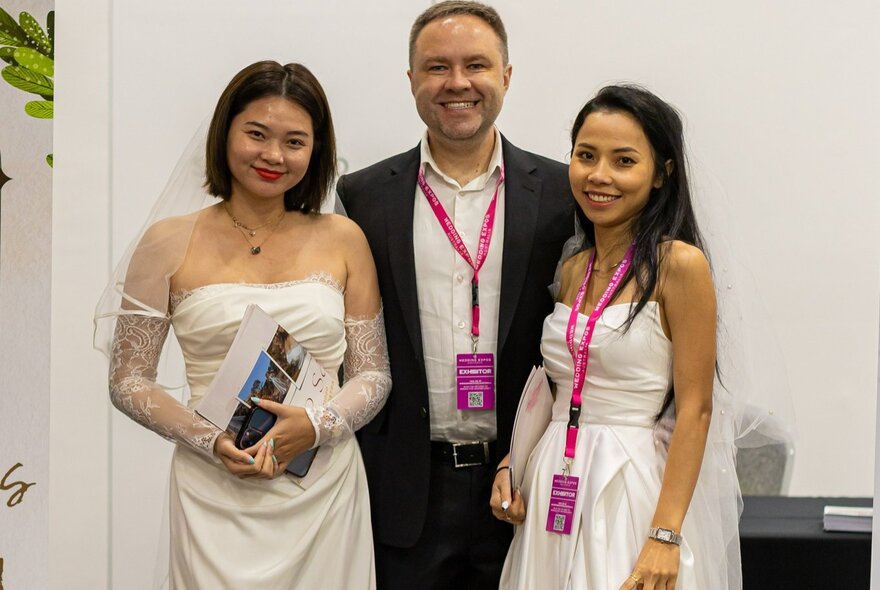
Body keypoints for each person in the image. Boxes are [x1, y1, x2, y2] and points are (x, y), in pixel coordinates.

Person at [95, 61, 390, 589]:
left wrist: (317, 426)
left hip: (320, 483)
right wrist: (208, 441)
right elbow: (128, 380)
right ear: (224, 131)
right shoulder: (167, 241)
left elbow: (373, 375)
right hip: (213, 488)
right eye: (257, 133)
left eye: (295, 141)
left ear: (315, 151)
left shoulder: (345, 238)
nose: (274, 155)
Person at [336, 2, 573, 588]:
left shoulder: (566, 193)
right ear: (412, 79)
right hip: (405, 487)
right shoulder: (362, 197)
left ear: (507, 76)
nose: (458, 83)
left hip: (520, 481)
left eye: (476, 65)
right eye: (437, 67)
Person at [491, 85, 742, 589]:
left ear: (661, 173)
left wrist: (665, 534)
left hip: (629, 485)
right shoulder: (573, 267)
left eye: (623, 160)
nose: (599, 175)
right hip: (552, 480)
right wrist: (512, 462)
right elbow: (561, 388)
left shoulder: (679, 266)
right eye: (586, 156)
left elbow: (695, 409)